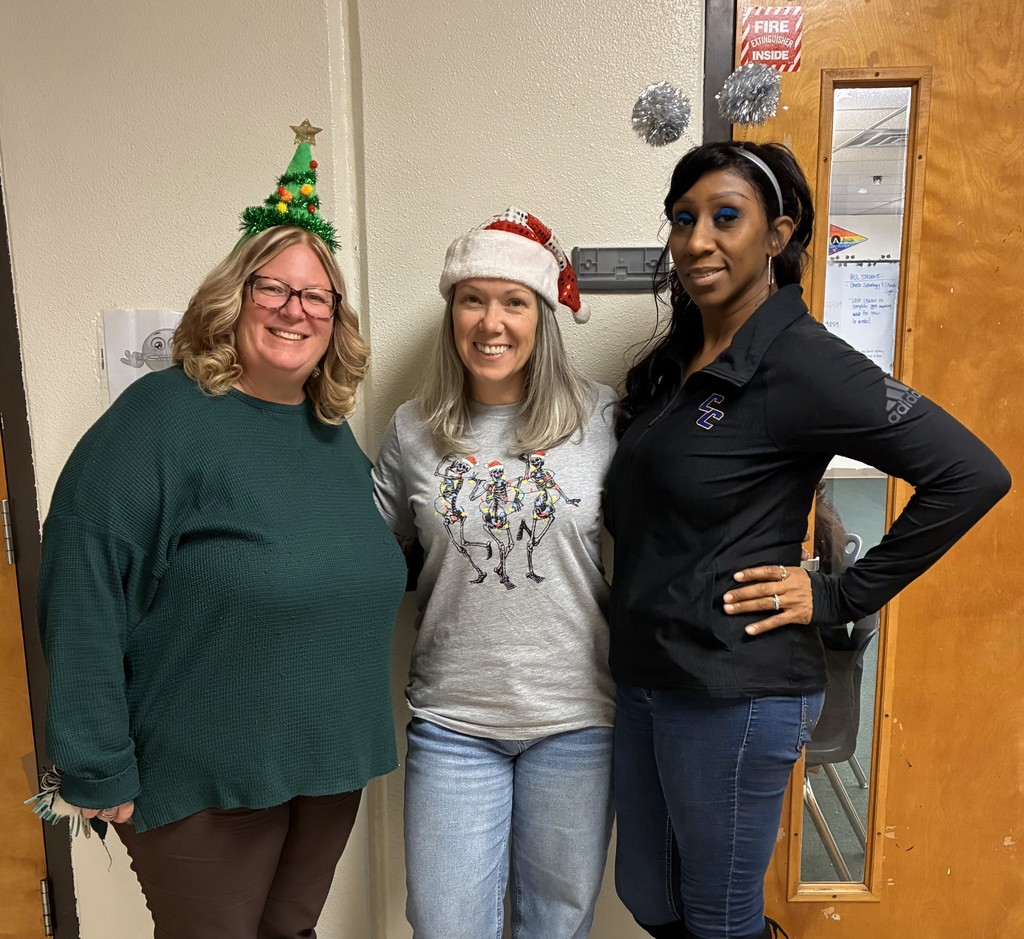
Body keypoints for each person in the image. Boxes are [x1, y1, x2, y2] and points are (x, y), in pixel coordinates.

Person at [603, 140, 1010, 939]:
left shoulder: (803, 360)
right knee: (651, 900)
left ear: (778, 234)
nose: (696, 240)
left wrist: (836, 595)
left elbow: (971, 474)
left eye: (726, 217)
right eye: (683, 219)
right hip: (650, 675)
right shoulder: (683, 360)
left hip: (734, 686)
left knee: (719, 921)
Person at [34, 128, 406, 939]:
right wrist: (92, 760)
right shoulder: (161, 419)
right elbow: (84, 574)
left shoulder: (327, 428)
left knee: (290, 933)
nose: (295, 309)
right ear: (231, 297)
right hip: (206, 769)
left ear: (335, 319)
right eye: (274, 287)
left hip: (325, 762)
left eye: (317, 296)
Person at [372, 207, 617, 939]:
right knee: (445, 926)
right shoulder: (413, 430)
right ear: (452, 314)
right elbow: (360, 558)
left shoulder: (602, 418)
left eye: (513, 301)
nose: (491, 322)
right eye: (472, 299)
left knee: (557, 925)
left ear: (542, 315)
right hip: (454, 722)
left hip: (576, 720)